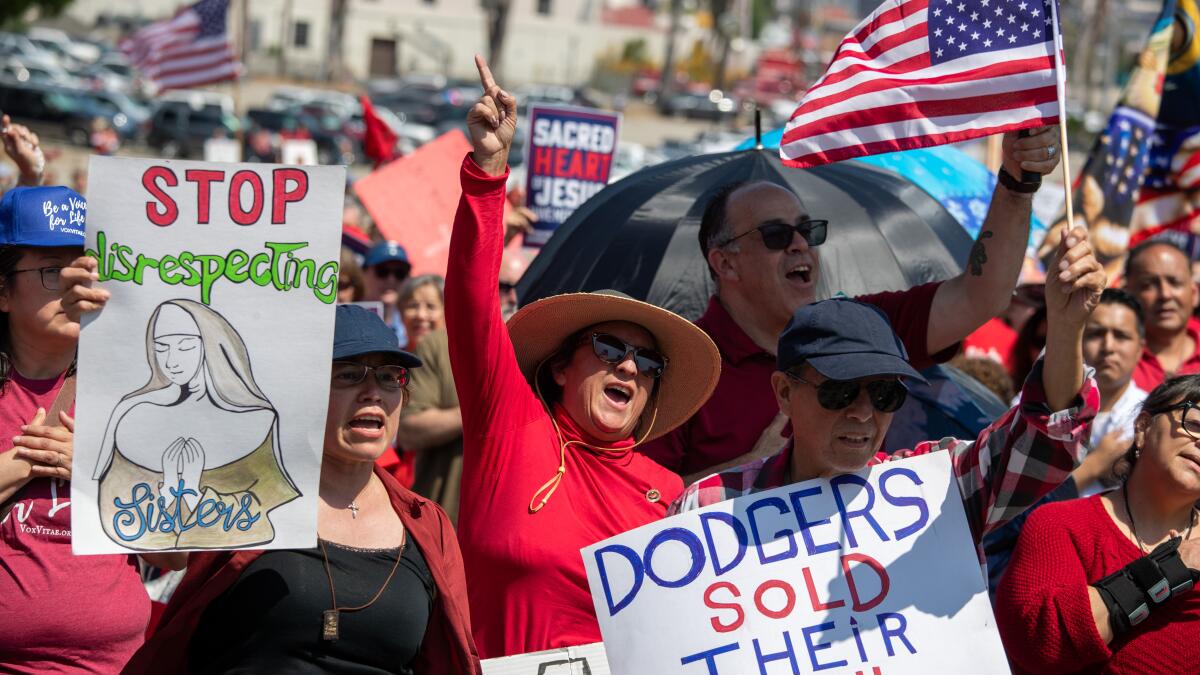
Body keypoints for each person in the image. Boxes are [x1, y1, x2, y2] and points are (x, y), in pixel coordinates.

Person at [446, 56, 721, 658]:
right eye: (610, 348)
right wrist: (489, 173)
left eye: (647, 364)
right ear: (563, 366)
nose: (629, 366)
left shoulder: (669, 493)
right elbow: (469, 302)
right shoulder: (510, 427)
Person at [672, 226, 1105, 576]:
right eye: (838, 391)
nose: (863, 412)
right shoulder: (709, 506)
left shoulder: (933, 489)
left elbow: (1044, 444)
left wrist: (1066, 329)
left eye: (884, 394)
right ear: (784, 393)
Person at [643, 126, 1065, 482]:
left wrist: (1017, 183)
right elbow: (643, 511)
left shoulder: (862, 331)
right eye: (775, 235)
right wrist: (755, 471)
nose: (799, 244)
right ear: (725, 263)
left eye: (808, 230)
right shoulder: (677, 366)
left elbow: (982, 295)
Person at [119, 305, 480, 674]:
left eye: (390, 377)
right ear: (302, 393)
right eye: (349, 374)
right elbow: (166, 549)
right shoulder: (240, 497)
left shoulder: (427, 525)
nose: (373, 392)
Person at [0, 186, 175, 673]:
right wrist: (28, 460)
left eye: (86, 270)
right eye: (53, 271)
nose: (77, 287)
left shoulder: (141, 392)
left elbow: (177, 554)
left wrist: (102, 469)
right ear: (2, 291)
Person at [994, 375, 1200, 673]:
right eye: (1193, 423)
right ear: (1142, 427)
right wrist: (1167, 569)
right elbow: (1039, 644)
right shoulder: (1061, 523)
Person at [91, 299, 299, 550]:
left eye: (185, 346)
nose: (171, 361)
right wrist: (169, 489)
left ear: (211, 342)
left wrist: (193, 492)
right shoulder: (130, 412)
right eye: (161, 347)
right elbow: (109, 511)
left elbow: (270, 515)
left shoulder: (260, 418)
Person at [1075, 288, 1148, 495]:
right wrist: (1097, 463)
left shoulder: (1157, 417)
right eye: (1096, 334)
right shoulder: (1043, 404)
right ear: (1078, 341)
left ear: (1140, 349)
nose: (1108, 346)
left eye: (1121, 336)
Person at [1125, 239, 1200, 390]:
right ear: (1128, 293)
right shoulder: (1108, 351)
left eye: (1174, 282)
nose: (1165, 294)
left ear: (1194, 293)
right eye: (1148, 284)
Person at [362, 240, 413, 344]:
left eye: (400, 273)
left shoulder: (412, 325)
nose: (391, 280)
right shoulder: (345, 316)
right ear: (363, 272)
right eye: (382, 271)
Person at [398, 274, 445, 351]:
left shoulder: (459, 360)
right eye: (413, 306)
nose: (421, 315)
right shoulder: (392, 361)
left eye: (430, 306)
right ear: (401, 312)